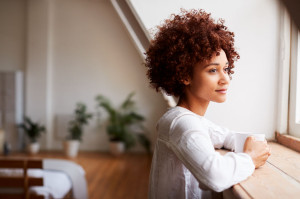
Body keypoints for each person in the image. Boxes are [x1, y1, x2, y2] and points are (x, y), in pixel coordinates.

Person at [145, 9, 271, 199]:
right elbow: (216, 177)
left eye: (226, 69)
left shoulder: (189, 119)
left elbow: (224, 136)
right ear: (184, 75)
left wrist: (251, 143)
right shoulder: (182, 124)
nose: (225, 79)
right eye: (213, 70)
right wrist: (251, 158)